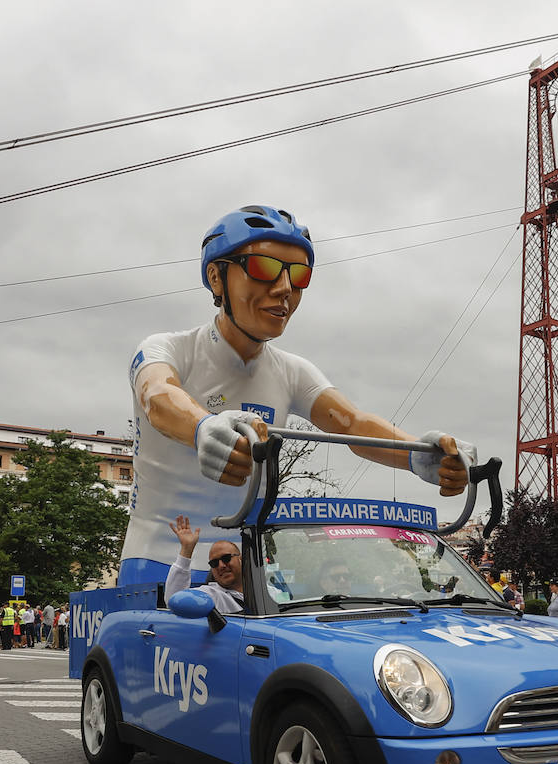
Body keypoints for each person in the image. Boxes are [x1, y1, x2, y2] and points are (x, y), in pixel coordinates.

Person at [120, 205, 475, 587]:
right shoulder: (167, 348)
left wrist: (415, 452)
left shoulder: (291, 370)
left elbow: (351, 423)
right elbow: (158, 395)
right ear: (216, 278)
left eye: (299, 275)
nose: (284, 288)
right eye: (264, 268)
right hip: (161, 555)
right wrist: (202, 427)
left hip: (247, 564)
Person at [165, 514, 246, 614]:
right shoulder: (213, 595)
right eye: (214, 563)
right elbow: (174, 601)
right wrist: (187, 549)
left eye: (226, 558)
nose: (221, 566)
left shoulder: (267, 591)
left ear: (241, 559)